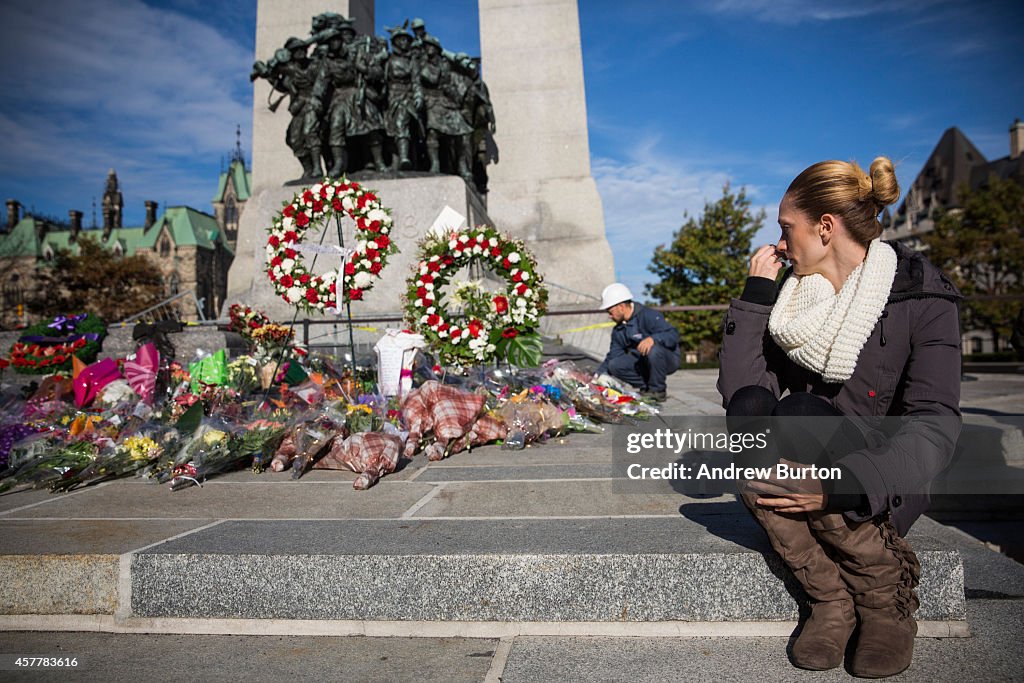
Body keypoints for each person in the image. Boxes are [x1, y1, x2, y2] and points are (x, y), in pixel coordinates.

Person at [717, 157, 962, 677]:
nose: (779, 245)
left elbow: (934, 424)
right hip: (804, 456)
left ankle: (883, 602)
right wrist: (756, 299)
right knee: (753, 418)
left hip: (876, 481)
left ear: (825, 227)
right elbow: (743, 393)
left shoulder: (920, 293)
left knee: (802, 413)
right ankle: (831, 600)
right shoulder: (790, 299)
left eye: (787, 229)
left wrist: (841, 486)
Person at [594, 283, 680, 401]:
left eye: (610, 311)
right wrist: (597, 375)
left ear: (621, 307)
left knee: (653, 350)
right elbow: (613, 355)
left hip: (667, 359)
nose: (609, 316)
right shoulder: (619, 330)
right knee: (614, 365)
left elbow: (673, 335)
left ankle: (658, 390)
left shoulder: (649, 315)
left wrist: (653, 339)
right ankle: (647, 387)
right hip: (642, 361)